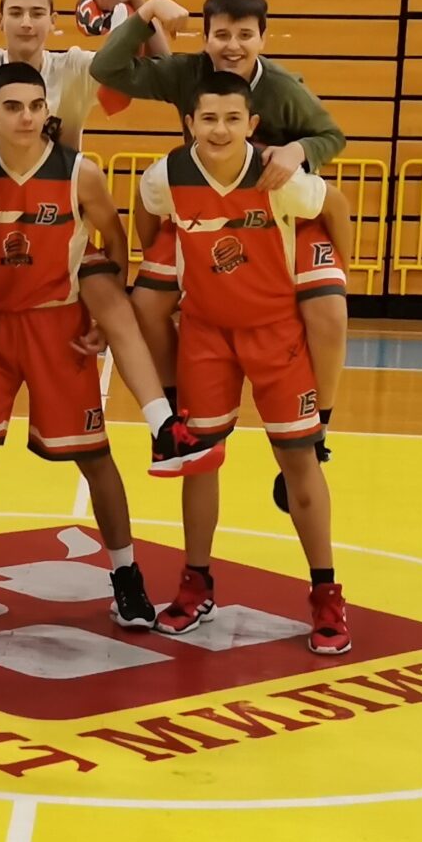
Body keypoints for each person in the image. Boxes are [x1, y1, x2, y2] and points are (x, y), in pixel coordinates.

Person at [0, 0, 195, 494]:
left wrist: (136, 0)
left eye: (38, 13)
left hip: (57, 221)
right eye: (16, 12)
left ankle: (163, 426)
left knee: (114, 303)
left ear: (54, 21)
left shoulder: (75, 67)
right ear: (0, 19)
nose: (27, 23)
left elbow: (163, 72)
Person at [86, 0, 358, 509]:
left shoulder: (282, 88)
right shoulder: (187, 73)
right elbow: (107, 70)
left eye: (245, 35)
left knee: (329, 311)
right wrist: (145, 10)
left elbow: (333, 137)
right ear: (205, 37)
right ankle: (174, 418)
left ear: (262, 39)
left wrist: (299, 150)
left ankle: (318, 428)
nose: (233, 46)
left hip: (277, 210)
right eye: (222, 35)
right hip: (202, 206)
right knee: (146, 303)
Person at [0, 64, 158, 633]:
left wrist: (102, 312)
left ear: (47, 110)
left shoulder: (80, 172)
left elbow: (115, 240)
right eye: (12, 107)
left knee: (95, 457)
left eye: (35, 106)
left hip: (59, 325)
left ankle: (127, 576)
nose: (25, 117)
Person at [135, 70, 349, 655]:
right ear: (189, 124)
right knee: (200, 460)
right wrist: (158, 255)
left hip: (277, 334)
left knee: (299, 460)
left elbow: (335, 205)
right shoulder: (168, 175)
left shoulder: (279, 177)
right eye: (208, 118)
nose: (220, 129)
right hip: (206, 333)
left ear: (252, 125)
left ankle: (326, 593)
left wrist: (343, 269)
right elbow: (147, 209)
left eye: (232, 119)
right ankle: (196, 583)